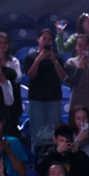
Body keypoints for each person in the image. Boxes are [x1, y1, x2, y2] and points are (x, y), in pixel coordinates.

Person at [24, 28, 67, 156]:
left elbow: (62, 76)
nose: (46, 41)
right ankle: (37, 161)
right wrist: (38, 59)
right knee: (36, 134)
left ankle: (54, 159)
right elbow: (31, 75)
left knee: (54, 134)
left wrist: (53, 60)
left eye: (49, 39)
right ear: (38, 39)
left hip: (54, 99)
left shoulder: (57, 59)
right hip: (36, 100)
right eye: (44, 38)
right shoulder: (31, 58)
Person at [0, 31, 25, 135]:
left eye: (5, 43)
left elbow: (18, 78)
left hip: (12, 98)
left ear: (9, 45)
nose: (2, 45)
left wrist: (4, 77)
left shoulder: (14, 61)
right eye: (0, 42)